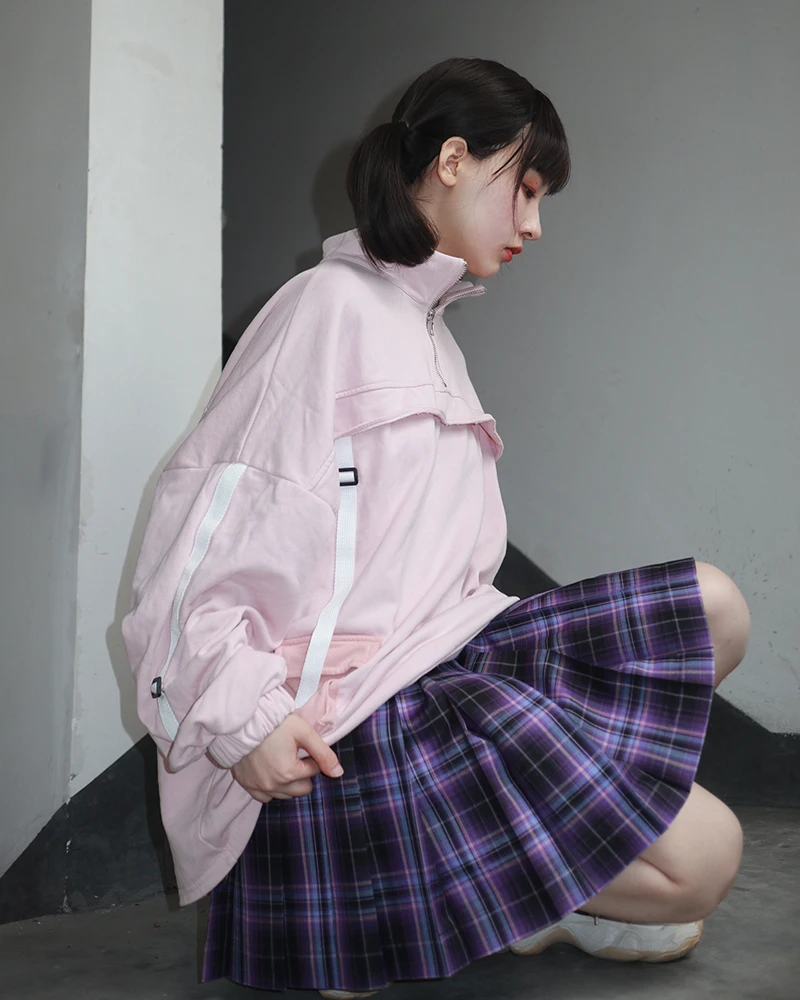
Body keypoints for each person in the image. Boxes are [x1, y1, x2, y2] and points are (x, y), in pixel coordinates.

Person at [121, 57, 751, 1000]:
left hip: (444, 664)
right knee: (703, 861)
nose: (535, 224)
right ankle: (497, 890)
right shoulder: (324, 311)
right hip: (340, 738)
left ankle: (515, 877)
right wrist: (245, 724)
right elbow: (189, 564)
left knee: (712, 609)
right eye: (525, 188)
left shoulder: (428, 331)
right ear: (454, 160)